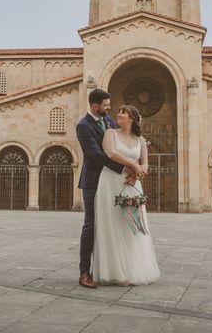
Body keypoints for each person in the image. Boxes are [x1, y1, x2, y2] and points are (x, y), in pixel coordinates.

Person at [76, 89, 143, 289]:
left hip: (113, 180)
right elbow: (96, 154)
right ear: (94, 105)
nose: (109, 108)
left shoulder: (109, 122)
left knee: (113, 223)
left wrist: (132, 170)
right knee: (91, 223)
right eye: (105, 105)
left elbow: (122, 143)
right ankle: (85, 272)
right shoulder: (83, 126)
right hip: (93, 181)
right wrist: (126, 168)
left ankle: (114, 268)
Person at [93, 104, 160, 285]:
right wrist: (133, 165)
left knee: (131, 225)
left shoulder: (140, 140)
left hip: (132, 183)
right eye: (119, 111)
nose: (119, 114)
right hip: (111, 181)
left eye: (123, 112)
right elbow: (110, 153)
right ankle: (116, 272)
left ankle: (133, 270)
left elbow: (145, 163)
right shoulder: (110, 133)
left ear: (131, 118)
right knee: (113, 224)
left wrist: (138, 171)